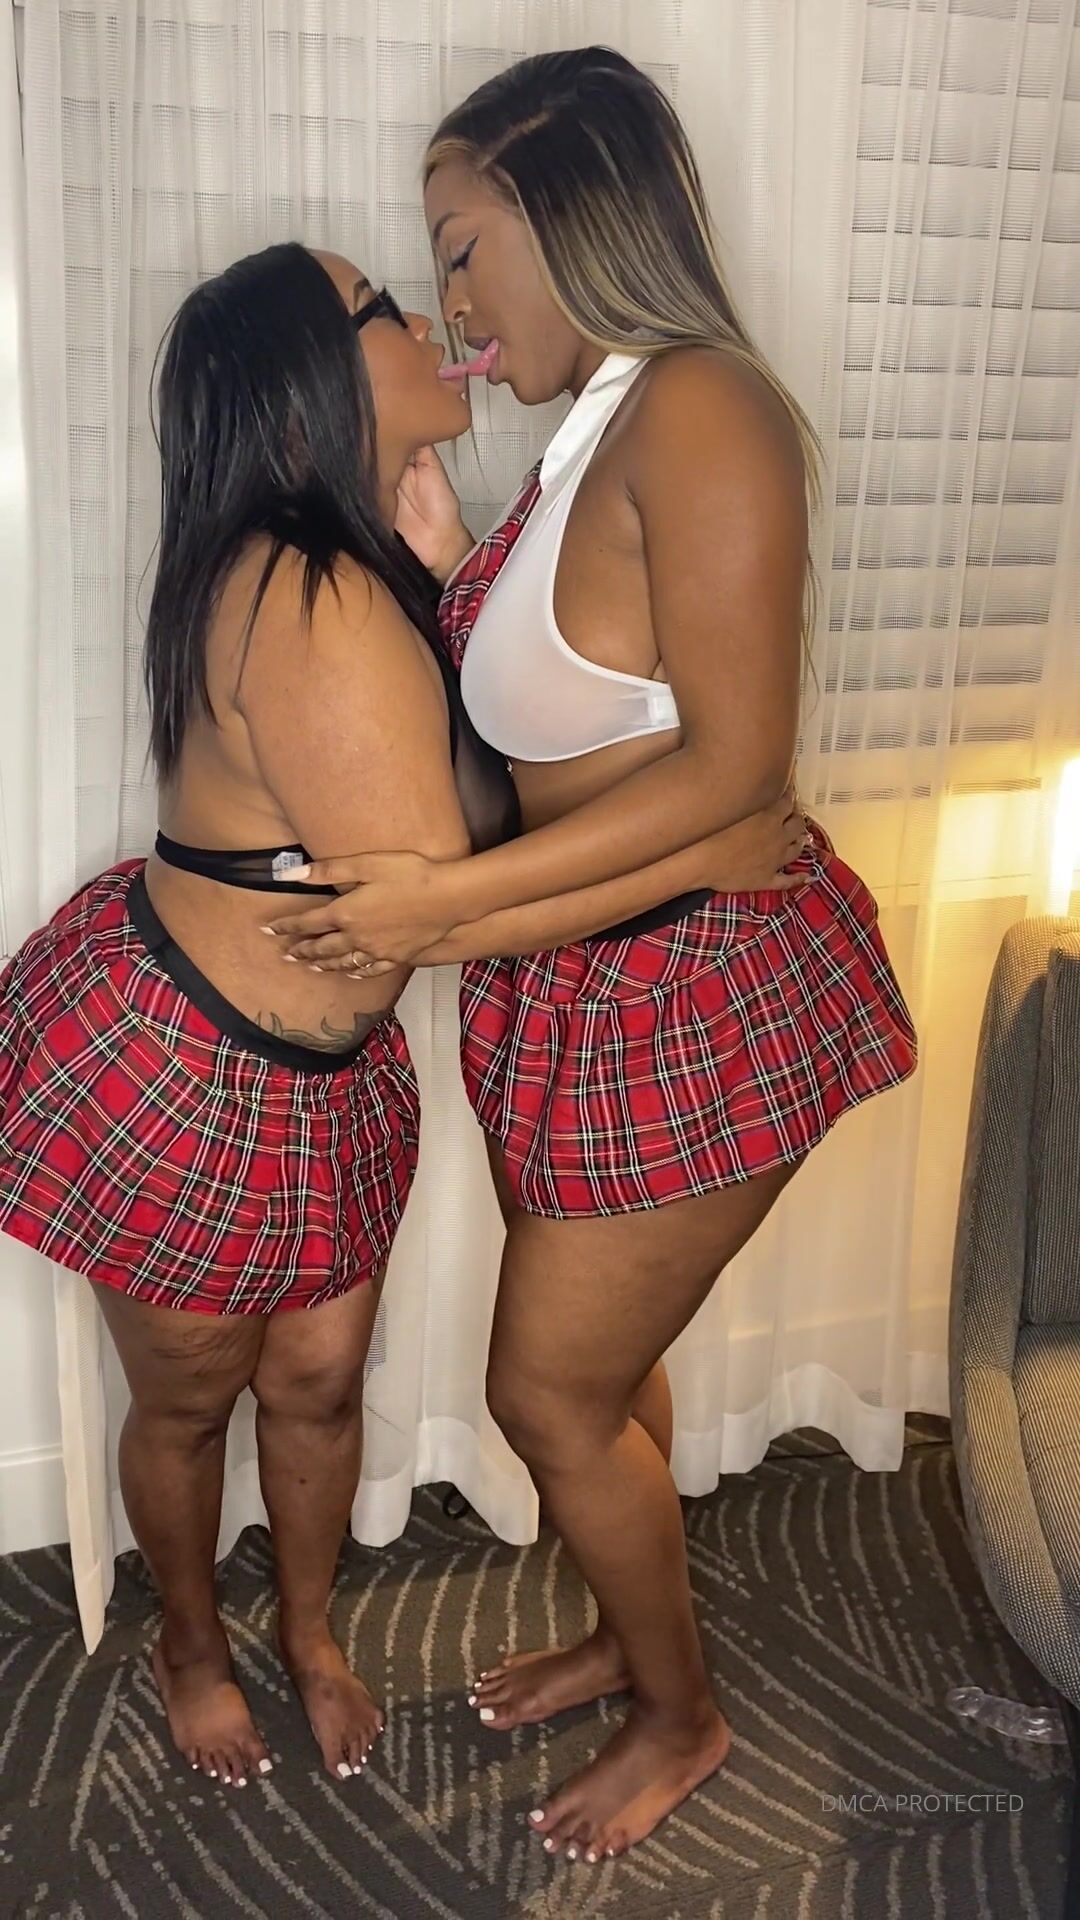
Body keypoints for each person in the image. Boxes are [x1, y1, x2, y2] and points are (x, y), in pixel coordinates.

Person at [0, 237, 799, 1795]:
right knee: (187, 1403)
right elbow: (442, 895)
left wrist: (446, 576)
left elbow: (479, 820)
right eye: (384, 305)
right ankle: (189, 1648)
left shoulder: (354, 566)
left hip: (334, 1081)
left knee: (312, 1389)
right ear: (310, 383)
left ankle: (307, 1634)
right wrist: (708, 845)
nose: (430, 318)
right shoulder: (298, 586)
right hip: (187, 1072)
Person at [264, 49, 918, 1862]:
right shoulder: (588, 433)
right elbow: (574, 728)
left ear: (567, 213)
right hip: (582, 991)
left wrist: (441, 914)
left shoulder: (703, 406)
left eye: (464, 249)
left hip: (700, 988)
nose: (455, 306)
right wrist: (449, 565)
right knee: (603, 1373)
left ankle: (685, 1717)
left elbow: (733, 770)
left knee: (545, 1391)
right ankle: (638, 1642)